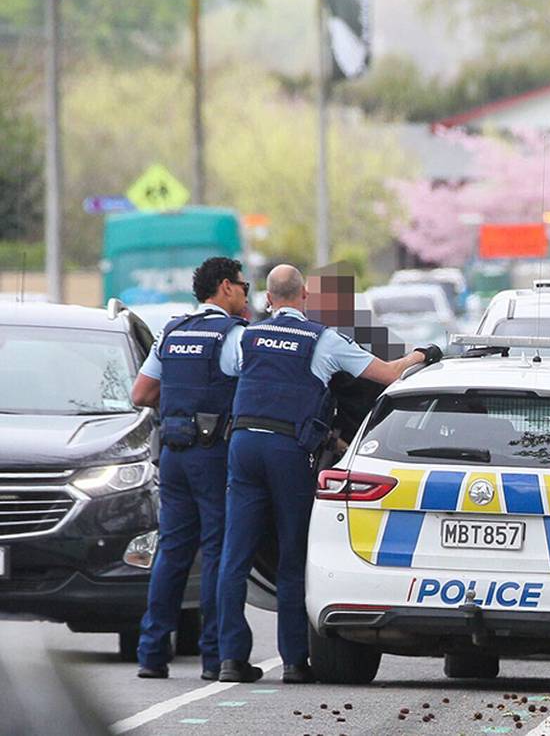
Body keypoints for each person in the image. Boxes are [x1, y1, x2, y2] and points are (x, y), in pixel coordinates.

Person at [215, 264, 441, 684]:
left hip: (243, 445)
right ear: (304, 296)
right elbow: (388, 374)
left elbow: (220, 375)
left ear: (268, 299)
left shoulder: (243, 336)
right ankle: (294, 662)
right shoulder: (322, 339)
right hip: (287, 450)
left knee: (235, 555)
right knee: (292, 554)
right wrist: (423, 355)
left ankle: (229, 659)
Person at [129, 257, 251, 681]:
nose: (246, 293)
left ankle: (151, 655)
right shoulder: (234, 336)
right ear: (225, 287)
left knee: (172, 552)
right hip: (214, 455)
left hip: (174, 453)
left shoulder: (173, 331)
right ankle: (214, 658)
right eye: (243, 285)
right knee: (217, 551)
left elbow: (141, 393)